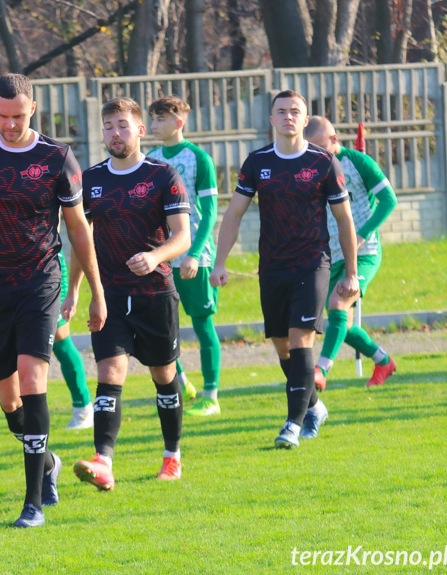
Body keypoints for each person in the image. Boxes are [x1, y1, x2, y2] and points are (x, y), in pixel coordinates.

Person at [0, 73, 106, 528]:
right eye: (0, 115)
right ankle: (47, 461)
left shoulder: (56, 157)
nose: (8, 125)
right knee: (10, 402)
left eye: (17, 115)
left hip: (39, 281)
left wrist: (93, 291)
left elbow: (78, 228)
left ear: (33, 108)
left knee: (33, 381)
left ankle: (32, 503)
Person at [210, 90, 359, 449]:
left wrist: (351, 272)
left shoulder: (324, 162)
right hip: (272, 266)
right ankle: (314, 406)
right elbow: (234, 214)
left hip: (313, 262)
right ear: (272, 120)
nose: (289, 117)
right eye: (282, 111)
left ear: (305, 121)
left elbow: (344, 218)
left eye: (295, 111)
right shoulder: (256, 162)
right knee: (282, 347)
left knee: (300, 339)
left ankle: (292, 424)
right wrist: (220, 262)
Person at [0, 120, 94, 438]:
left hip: (44, 274)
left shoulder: (48, 160)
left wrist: (80, 290)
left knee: (59, 343)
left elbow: (77, 227)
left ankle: (82, 406)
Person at [69, 97, 192, 490]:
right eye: (108, 126)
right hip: (109, 294)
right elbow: (80, 239)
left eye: (122, 125)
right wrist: (74, 292)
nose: (114, 134)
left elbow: (182, 236)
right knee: (109, 372)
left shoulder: (162, 174)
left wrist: (156, 257)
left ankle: (172, 455)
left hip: (155, 293)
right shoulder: (90, 180)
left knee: (164, 374)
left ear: (140, 130)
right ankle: (103, 461)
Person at [303, 116, 398, 389]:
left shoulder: (358, 162)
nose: (317, 155)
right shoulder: (309, 170)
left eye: (321, 148)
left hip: (364, 252)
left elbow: (388, 200)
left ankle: (321, 370)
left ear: (334, 140)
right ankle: (383, 361)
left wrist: (362, 233)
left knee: (337, 305)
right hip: (330, 255)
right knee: (337, 320)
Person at [147, 95, 222, 416]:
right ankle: (182, 383)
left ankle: (211, 396)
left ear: (178, 122)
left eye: (159, 119)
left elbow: (210, 211)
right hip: (162, 256)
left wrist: (194, 252)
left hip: (195, 258)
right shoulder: (149, 158)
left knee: (203, 324)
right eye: (151, 118)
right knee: (163, 326)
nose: (152, 125)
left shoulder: (198, 159)